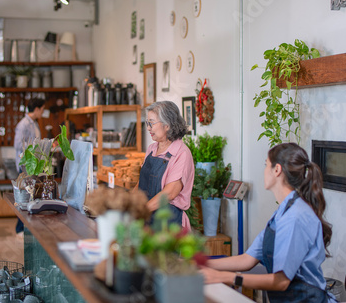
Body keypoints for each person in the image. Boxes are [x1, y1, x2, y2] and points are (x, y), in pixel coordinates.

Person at [200, 143, 335, 303]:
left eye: (266, 165)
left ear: (277, 170)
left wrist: (228, 277)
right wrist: (200, 263)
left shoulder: (295, 217)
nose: (263, 171)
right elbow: (246, 260)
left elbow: (281, 281)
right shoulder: (281, 213)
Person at [135, 101, 194, 232]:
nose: (149, 128)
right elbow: (142, 183)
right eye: (147, 123)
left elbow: (170, 193)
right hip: (147, 218)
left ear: (167, 125)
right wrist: (127, 204)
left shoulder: (181, 153)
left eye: (152, 123)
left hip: (168, 223)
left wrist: (140, 212)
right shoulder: (151, 149)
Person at [14, 98, 45, 234]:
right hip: (26, 165)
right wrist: (33, 149)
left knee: (32, 197)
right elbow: (17, 145)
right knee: (25, 198)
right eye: (42, 109)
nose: (43, 112)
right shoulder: (24, 124)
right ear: (37, 109)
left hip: (34, 165)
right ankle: (20, 229)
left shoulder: (33, 124)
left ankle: (27, 228)